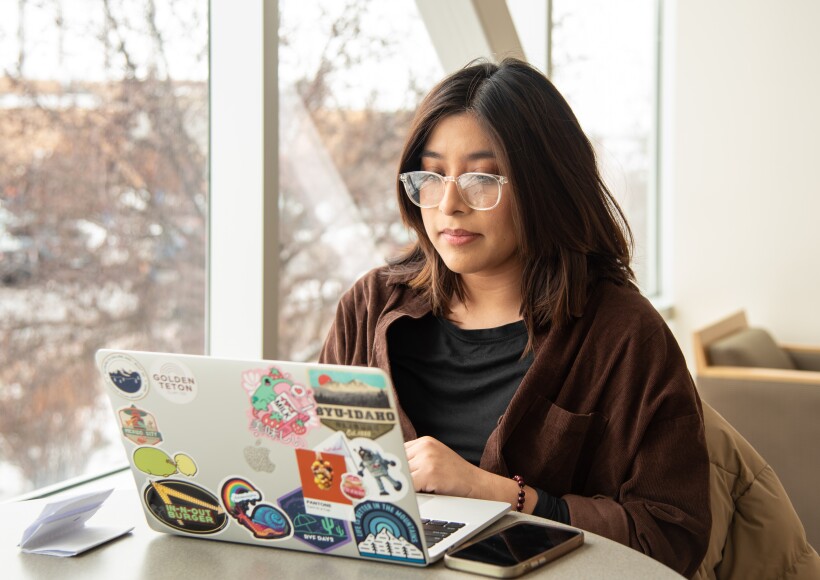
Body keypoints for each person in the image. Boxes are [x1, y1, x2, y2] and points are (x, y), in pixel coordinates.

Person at [319, 57, 710, 577]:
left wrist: (496, 493)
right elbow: (314, 472)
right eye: (432, 176)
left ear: (543, 185)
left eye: (483, 178)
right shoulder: (369, 308)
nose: (450, 204)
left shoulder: (622, 334)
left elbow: (672, 536)